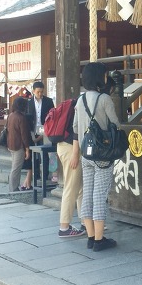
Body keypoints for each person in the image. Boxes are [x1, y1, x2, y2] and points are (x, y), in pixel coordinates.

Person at [72, 62, 120, 251]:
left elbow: (75, 128)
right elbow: (115, 125)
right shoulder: (105, 99)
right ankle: (100, 240)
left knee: (88, 194)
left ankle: (91, 237)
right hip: (102, 155)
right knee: (100, 195)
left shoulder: (80, 100)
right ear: (100, 77)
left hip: (86, 154)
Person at [56, 98, 85, 237]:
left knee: (79, 188)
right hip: (71, 148)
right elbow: (76, 131)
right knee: (71, 187)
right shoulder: (78, 107)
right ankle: (64, 227)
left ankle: (85, 221)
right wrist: (75, 154)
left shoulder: (71, 105)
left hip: (63, 146)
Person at [23, 81, 54, 189]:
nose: (40, 94)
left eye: (42, 92)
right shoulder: (28, 102)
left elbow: (52, 116)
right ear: (33, 91)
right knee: (33, 153)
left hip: (44, 129)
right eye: (38, 92)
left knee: (44, 153)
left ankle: (44, 175)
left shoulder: (49, 101)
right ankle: (35, 174)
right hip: (33, 129)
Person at [6, 97, 32, 192]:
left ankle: (13, 187)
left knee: (14, 167)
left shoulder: (11, 115)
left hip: (11, 144)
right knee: (16, 168)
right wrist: (27, 149)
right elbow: (24, 136)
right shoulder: (21, 118)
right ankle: (13, 188)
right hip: (19, 146)